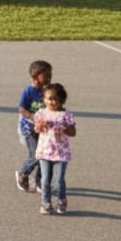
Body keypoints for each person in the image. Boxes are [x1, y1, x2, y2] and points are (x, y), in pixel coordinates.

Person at [33, 83, 76, 215]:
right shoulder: (41, 113)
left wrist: (65, 129)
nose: (51, 101)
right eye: (48, 98)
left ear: (61, 100)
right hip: (45, 152)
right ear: (44, 99)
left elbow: (73, 132)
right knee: (45, 179)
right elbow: (37, 129)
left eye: (54, 99)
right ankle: (46, 203)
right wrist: (40, 125)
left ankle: (61, 200)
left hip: (61, 153)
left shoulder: (66, 115)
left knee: (58, 179)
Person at [14, 59, 51, 193]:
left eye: (50, 75)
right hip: (28, 130)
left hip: (44, 129)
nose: (49, 77)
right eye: (45, 75)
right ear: (35, 77)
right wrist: (33, 117)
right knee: (36, 155)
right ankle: (22, 174)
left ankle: (40, 181)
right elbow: (22, 109)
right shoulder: (28, 91)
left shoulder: (48, 90)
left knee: (45, 154)